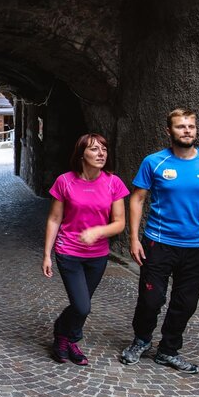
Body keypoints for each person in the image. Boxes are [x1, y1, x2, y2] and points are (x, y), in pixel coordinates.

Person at [119, 108, 199, 374]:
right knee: (151, 298)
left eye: (191, 126)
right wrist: (134, 238)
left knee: (186, 303)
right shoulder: (154, 162)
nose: (187, 131)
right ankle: (142, 340)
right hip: (158, 243)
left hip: (195, 247)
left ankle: (168, 350)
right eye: (181, 127)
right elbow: (137, 199)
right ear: (168, 131)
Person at [42, 133, 129, 366]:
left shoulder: (113, 182)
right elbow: (54, 219)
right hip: (68, 251)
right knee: (82, 305)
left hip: (97, 256)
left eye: (104, 149)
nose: (101, 154)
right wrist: (47, 254)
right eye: (94, 149)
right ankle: (66, 335)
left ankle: (66, 338)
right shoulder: (65, 181)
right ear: (81, 155)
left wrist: (97, 232)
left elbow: (120, 222)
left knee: (82, 304)